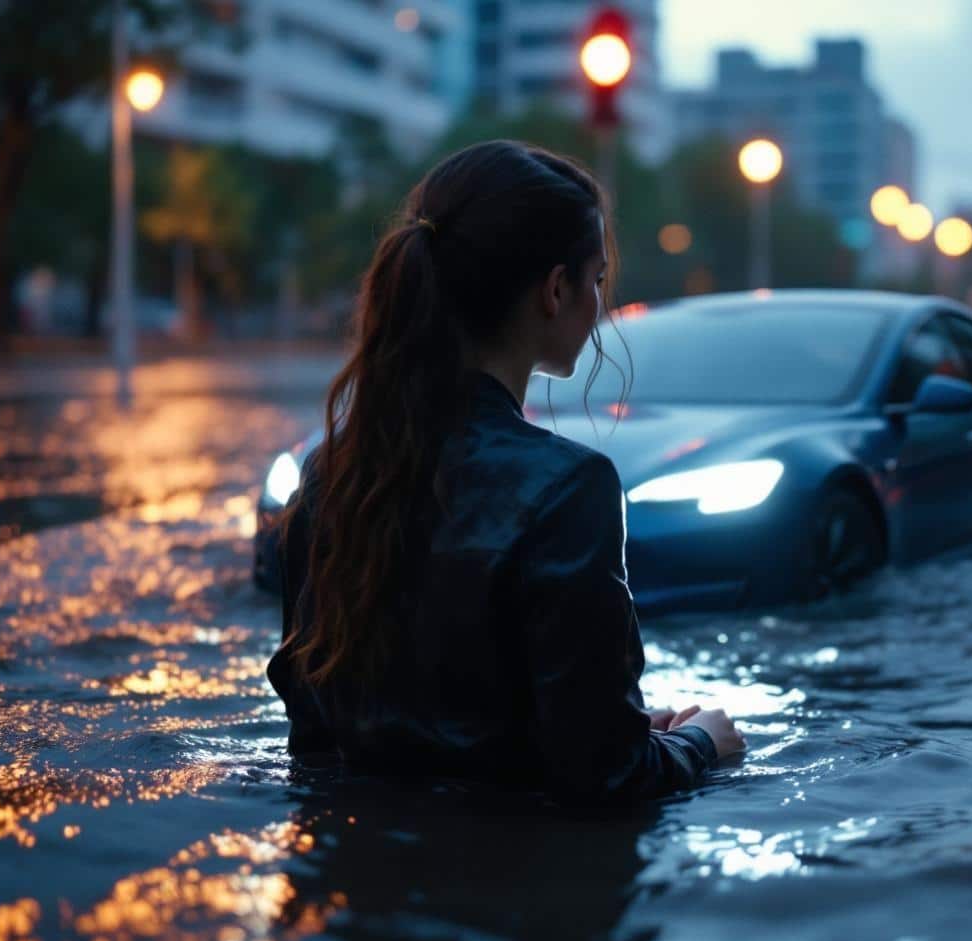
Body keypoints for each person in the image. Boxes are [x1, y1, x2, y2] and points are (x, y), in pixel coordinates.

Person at [267, 140, 746, 804]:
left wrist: (631, 733)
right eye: (597, 279)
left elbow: (314, 744)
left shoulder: (331, 474)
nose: (599, 301)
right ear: (555, 290)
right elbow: (607, 779)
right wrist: (701, 743)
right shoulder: (568, 488)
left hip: (348, 879)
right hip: (512, 884)